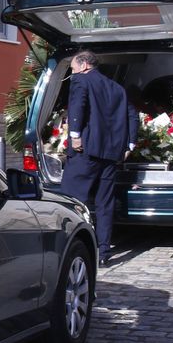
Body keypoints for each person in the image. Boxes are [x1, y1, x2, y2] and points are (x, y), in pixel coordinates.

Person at [61, 49, 138, 265]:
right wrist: (130, 143)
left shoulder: (80, 81)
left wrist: (75, 135)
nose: (72, 71)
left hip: (85, 152)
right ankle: (103, 253)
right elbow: (132, 114)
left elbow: (78, 107)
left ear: (84, 65)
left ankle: (69, 248)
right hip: (111, 154)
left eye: (73, 67)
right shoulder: (117, 88)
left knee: (73, 202)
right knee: (105, 204)